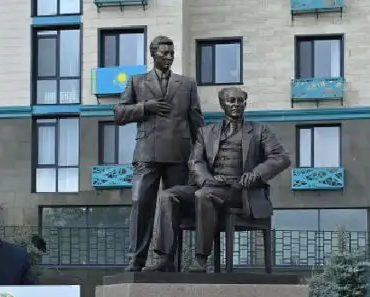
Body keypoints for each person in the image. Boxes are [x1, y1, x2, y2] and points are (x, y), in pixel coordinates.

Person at [149, 87, 291, 271]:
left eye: (240, 101)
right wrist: (206, 179)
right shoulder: (206, 132)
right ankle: (164, 257)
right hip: (210, 184)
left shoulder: (260, 130)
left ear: (245, 104)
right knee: (167, 195)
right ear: (222, 104)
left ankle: (201, 259)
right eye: (231, 101)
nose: (236, 105)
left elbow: (281, 158)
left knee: (203, 195)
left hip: (240, 191)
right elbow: (195, 161)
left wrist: (256, 173)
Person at [113, 34, 204, 272]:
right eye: (164, 53)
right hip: (147, 154)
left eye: (172, 53)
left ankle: (168, 261)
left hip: (179, 155)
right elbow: (119, 114)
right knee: (140, 203)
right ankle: (136, 260)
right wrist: (145, 107)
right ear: (153, 54)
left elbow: (197, 123)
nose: (169, 57)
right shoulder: (137, 81)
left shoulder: (187, 84)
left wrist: (199, 156)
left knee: (172, 208)